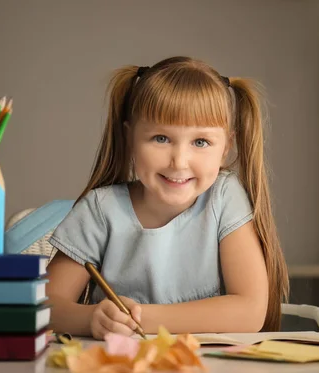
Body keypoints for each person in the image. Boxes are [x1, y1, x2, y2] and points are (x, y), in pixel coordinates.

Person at [45, 56, 289, 340]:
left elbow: (250, 311)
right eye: (161, 138)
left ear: (226, 147)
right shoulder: (100, 210)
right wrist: (91, 318)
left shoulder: (224, 196)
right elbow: (45, 306)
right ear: (130, 138)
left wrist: (140, 319)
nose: (179, 161)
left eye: (201, 142)